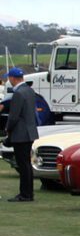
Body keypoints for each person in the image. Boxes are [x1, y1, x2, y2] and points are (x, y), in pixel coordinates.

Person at [4, 67, 39, 202]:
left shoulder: (18, 93)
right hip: (29, 132)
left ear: (13, 78)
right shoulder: (29, 90)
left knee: (22, 164)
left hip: (20, 133)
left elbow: (14, 116)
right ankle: (28, 193)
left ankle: (25, 194)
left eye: (9, 78)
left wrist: (8, 129)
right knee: (26, 164)